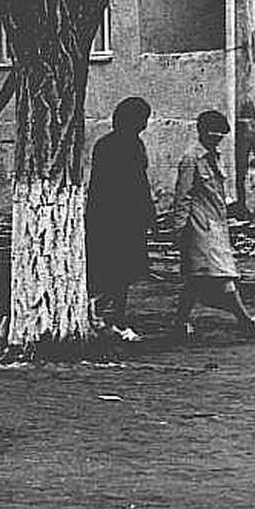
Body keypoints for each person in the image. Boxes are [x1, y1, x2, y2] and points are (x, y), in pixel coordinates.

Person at [172, 110, 255, 336]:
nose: (216, 141)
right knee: (222, 274)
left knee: (198, 277)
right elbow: (182, 195)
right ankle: (244, 319)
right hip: (198, 226)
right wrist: (179, 228)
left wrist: (231, 208)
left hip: (216, 223)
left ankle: (180, 321)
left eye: (220, 137)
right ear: (202, 133)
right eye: (213, 136)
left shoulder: (217, 156)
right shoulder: (191, 159)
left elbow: (219, 192)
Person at [85, 97, 156, 341]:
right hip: (119, 218)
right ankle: (103, 314)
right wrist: (148, 214)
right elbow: (135, 183)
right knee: (118, 272)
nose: (145, 124)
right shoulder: (124, 146)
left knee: (120, 272)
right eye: (143, 119)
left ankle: (112, 317)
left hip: (112, 217)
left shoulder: (109, 144)